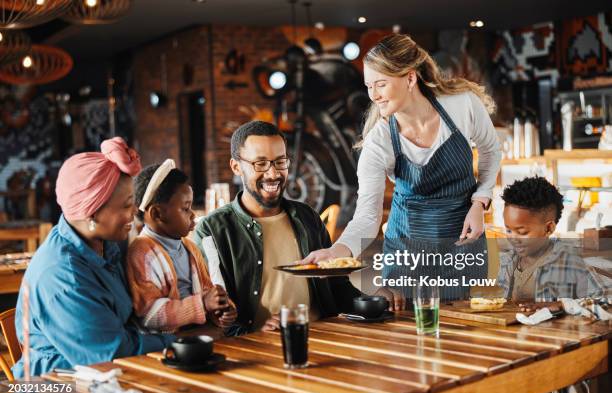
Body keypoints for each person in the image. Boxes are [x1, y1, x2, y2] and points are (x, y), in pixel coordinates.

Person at [301, 34, 501, 306]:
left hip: (463, 241)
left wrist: (480, 202)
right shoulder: (379, 141)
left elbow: (491, 150)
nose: (373, 95)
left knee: (466, 328)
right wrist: (336, 251)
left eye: (381, 84)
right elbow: (366, 217)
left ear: (410, 78)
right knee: (407, 335)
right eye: (369, 85)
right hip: (407, 250)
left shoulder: (461, 105)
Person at [13, 138, 174, 378]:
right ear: (91, 212)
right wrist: (177, 341)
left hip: (104, 373)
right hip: (54, 385)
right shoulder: (62, 276)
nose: (135, 211)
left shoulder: (105, 245)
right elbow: (110, 354)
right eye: (127, 205)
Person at [193, 121, 362, 335]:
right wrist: (258, 335)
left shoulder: (307, 216)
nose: (273, 174)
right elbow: (216, 319)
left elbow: (339, 288)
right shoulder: (212, 231)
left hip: (325, 337)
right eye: (260, 163)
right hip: (258, 353)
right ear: (236, 167)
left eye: (280, 162)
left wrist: (377, 301)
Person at [127, 160, 237, 333]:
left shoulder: (190, 248)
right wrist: (202, 304)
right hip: (168, 347)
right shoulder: (141, 253)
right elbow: (149, 315)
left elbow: (207, 291)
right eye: (186, 208)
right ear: (157, 213)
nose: (193, 214)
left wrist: (220, 308)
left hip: (201, 336)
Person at [498, 176, 608, 306]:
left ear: (549, 228)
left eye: (522, 232)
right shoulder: (507, 261)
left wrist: (562, 306)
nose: (513, 238)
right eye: (509, 230)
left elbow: (606, 299)